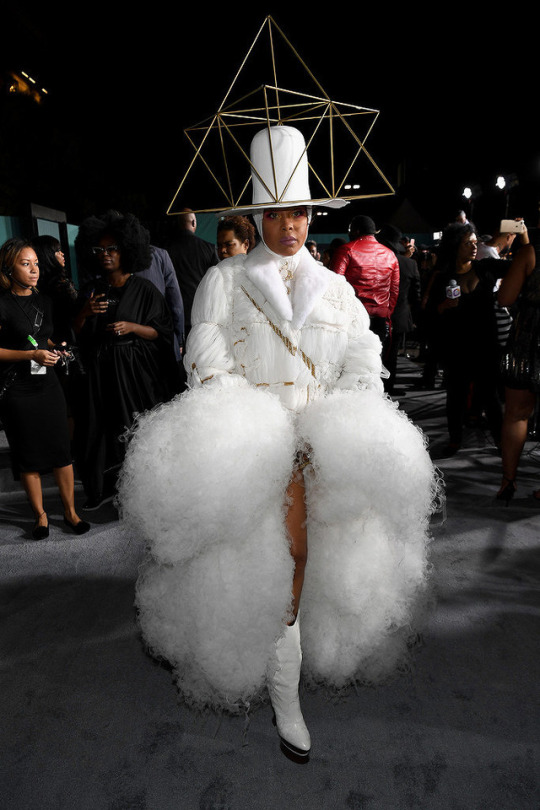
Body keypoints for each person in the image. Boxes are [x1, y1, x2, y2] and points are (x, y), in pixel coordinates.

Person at [118, 126, 437, 759]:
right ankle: (283, 693)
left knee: (323, 564)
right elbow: (207, 365)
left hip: (324, 449)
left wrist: (337, 430)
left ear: (312, 213)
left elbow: (361, 363)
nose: (290, 225)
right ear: (256, 213)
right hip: (247, 451)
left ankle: (288, 672)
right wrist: (265, 437)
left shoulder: (338, 287)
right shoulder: (225, 280)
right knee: (279, 563)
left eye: (301, 211)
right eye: (276, 212)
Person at [73, 212, 180, 510]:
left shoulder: (145, 290)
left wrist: (132, 327)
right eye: (100, 250)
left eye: (112, 249)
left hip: (135, 373)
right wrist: (85, 313)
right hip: (100, 372)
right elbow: (78, 333)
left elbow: (161, 330)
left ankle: (143, 494)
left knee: (136, 429)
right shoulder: (93, 290)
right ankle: (101, 489)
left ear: (127, 251)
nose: (105, 255)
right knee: (100, 430)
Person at [0, 238, 90, 538]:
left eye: (36, 263)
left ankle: (70, 512)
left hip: (48, 385)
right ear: (8, 267)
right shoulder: (1, 303)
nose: (34, 270)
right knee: (28, 455)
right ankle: (40, 517)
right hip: (17, 389)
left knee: (61, 450)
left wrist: (57, 348)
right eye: (26, 264)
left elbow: (44, 338)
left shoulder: (45, 301)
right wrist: (31, 355)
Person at [425, 222, 503, 455]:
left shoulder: (486, 268)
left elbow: (520, 265)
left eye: (474, 242)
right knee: (455, 396)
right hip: (456, 347)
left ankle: (501, 441)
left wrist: (523, 236)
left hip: (485, 345)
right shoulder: (441, 277)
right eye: (467, 243)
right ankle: (454, 440)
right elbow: (428, 313)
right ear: (454, 246)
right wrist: (442, 306)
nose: (473, 247)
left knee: (490, 397)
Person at [497, 229, 540, 501]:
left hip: (529, 337)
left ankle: (508, 482)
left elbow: (505, 299)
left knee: (516, 414)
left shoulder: (530, 253)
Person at [329, 215, 400, 352]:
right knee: (374, 361)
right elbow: (394, 290)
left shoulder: (346, 250)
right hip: (380, 317)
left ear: (356, 230)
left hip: (352, 317)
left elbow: (334, 285)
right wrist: (386, 311)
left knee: (350, 363)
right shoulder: (390, 254)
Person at [377, 224, 421, 394]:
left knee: (374, 353)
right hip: (399, 316)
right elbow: (415, 296)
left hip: (375, 316)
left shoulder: (375, 261)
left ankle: (375, 389)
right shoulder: (409, 264)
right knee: (392, 355)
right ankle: (388, 388)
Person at [165, 208, 219, 338]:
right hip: (202, 312)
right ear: (194, 223)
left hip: (172, 313)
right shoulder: (209, 248)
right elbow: (216, 283)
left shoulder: (165, 250)